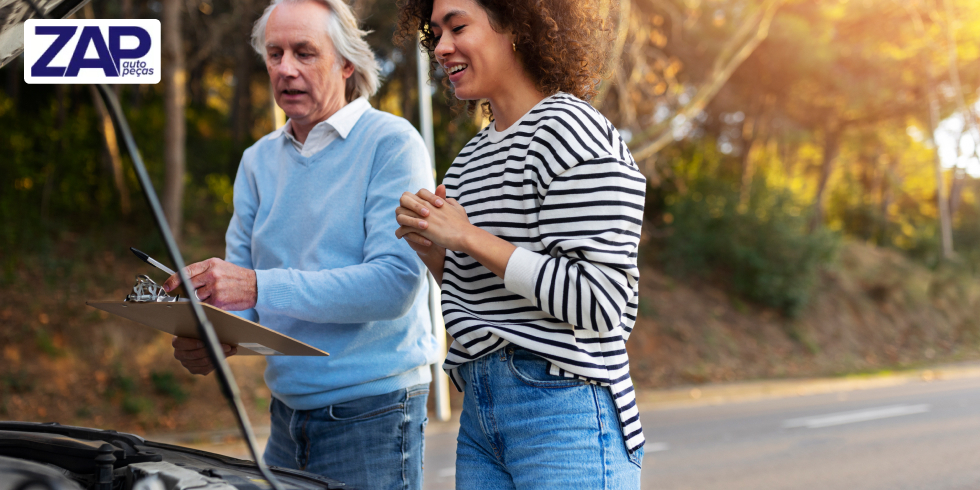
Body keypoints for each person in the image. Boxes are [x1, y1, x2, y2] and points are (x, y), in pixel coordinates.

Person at [161, 1, 439, 488]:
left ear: (347, 62)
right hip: (286, 418)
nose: (285, 68)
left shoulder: (392, 143)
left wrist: (253, 288)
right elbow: (243, 297)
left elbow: (393, 286)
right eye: (274, 53)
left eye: (304, 52)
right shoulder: (256, 162)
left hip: (373, 413)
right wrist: (215, 336)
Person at [395, 0, 646, 488]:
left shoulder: (574, 130)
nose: (441, 47)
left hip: (564, 409)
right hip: (482, 413)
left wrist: (468, 236)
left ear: (515, 25)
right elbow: (486, 295)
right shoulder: (468, 161)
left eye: (457, 27)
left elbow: (599, 302)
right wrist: (437, 254)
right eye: (435, 33)